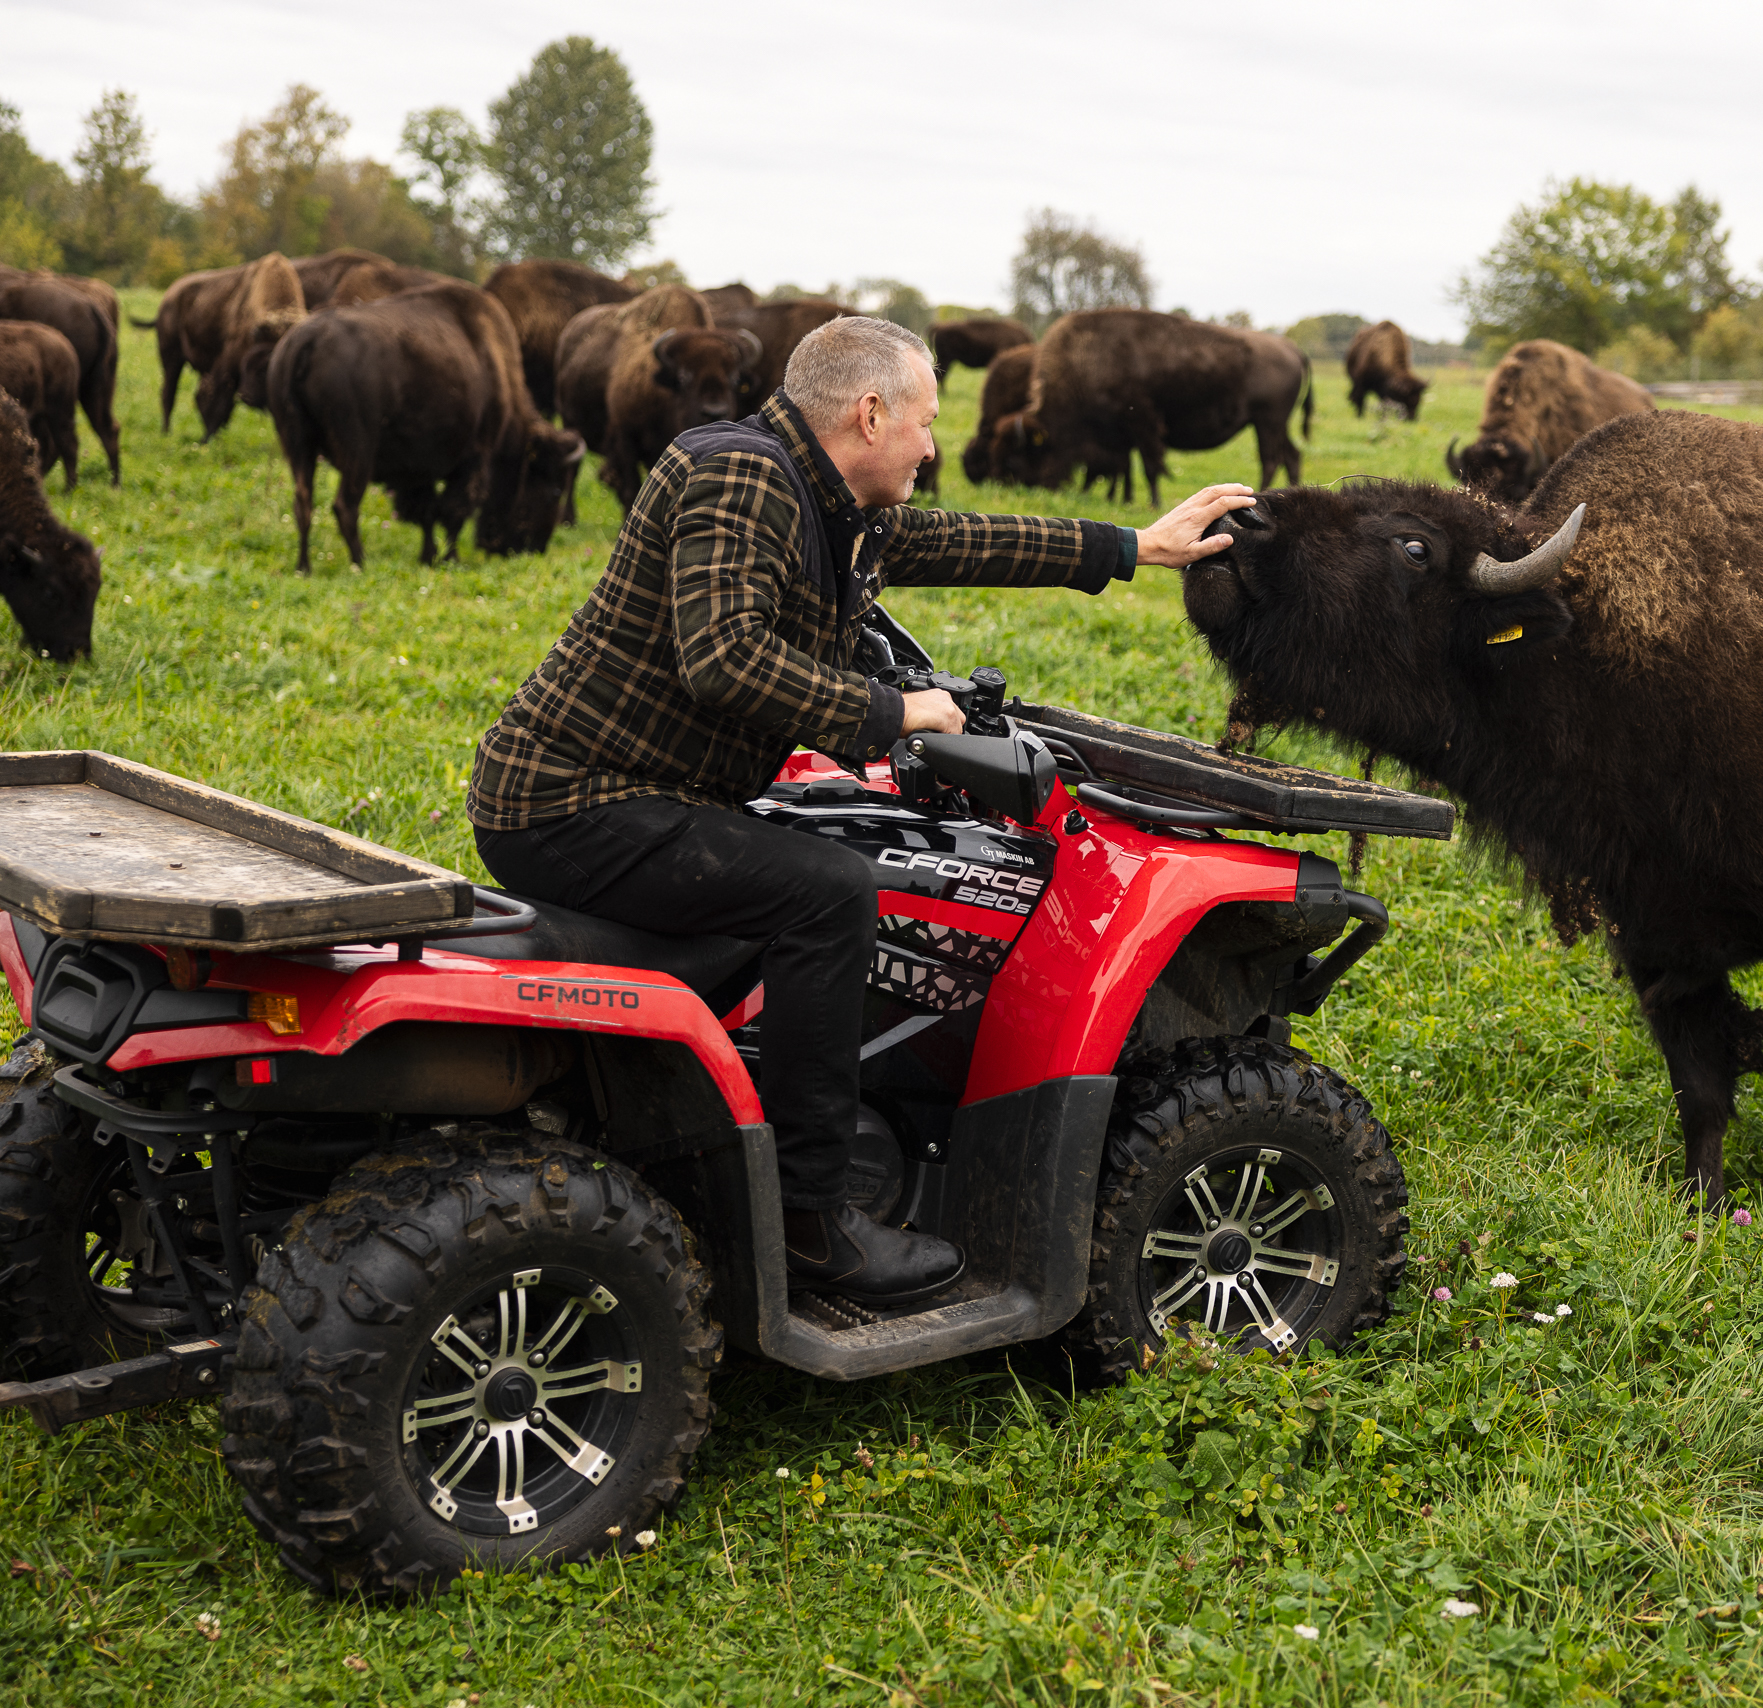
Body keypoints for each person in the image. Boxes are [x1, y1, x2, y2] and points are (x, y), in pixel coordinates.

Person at [467, 316, 1253, 1303]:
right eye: (925, 422)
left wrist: (1133, 545)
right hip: (573, 801)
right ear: (869, 412)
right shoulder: (742, 477)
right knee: (829, 892)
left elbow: (951, 537)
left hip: (632, 792)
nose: (932, 447)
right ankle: (812, 1219)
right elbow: (726, 657)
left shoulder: (823, 496)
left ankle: (721, 1121)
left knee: (810, 842)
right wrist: (896, 712)